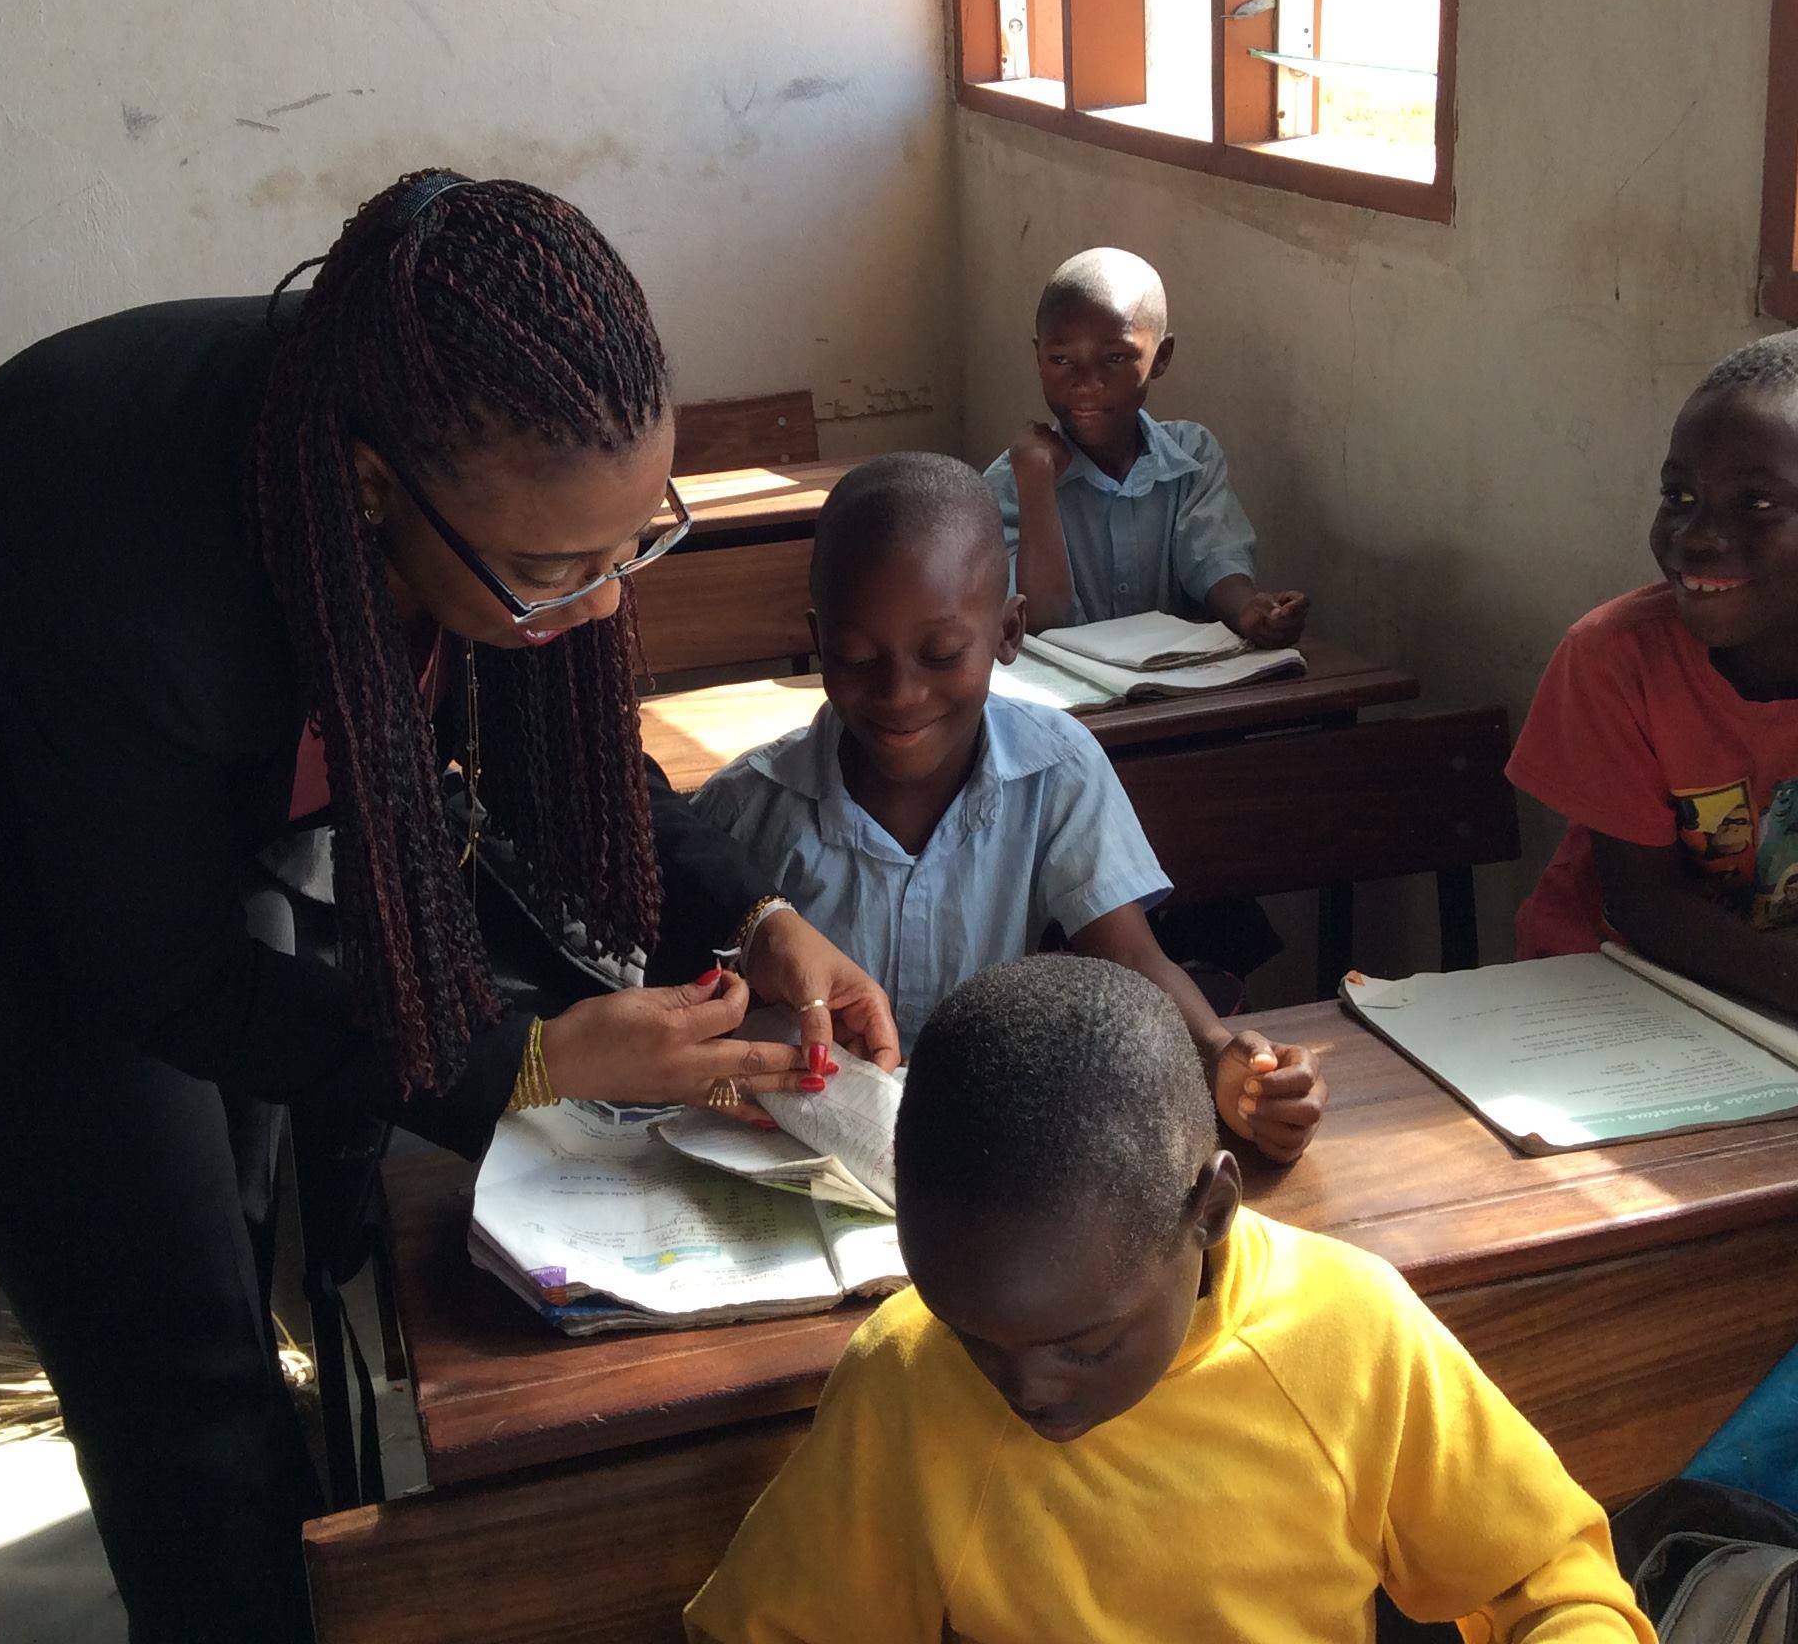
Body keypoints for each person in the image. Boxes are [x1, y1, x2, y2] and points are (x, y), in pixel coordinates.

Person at [0, 170, 896, 1643]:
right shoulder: (133, 575)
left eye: (631, 548)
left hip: (172, 845)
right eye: (556, 572)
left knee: (245, 1205)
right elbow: (160, 977)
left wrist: (749, 919)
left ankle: (299, 1560)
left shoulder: (483, 473)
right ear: (364, 488)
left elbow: (574, 761)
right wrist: (530, 1063)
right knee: (180, 1354)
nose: (600, 608)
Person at [685, 957, 1653, 1644]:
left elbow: (1546, 1585)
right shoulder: (906, 1372)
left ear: (1212, 1211)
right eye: (971, 1334)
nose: (1022, 1386)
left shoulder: (1347, 1327)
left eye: (1086, 1344)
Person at [691, 453, 1323, 1161]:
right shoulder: (746, 815)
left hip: (994, 1167)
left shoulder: (1056, 769)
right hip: (806, 1157)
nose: (900, 694)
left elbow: (1132, 959)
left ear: (1009, 633)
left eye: (941, 655)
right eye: (858, 657)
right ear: (817, 644)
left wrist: (1219, 1059)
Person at [1509, 332, 1798, 1013]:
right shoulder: (1616, 658)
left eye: (1756, 503)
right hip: (1610, 989)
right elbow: (1645, 904)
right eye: (1680, 494)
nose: (1696, 535)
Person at [983, 246, 1307, 644]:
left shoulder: (1192, 457)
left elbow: (1213, 560)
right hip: (1071, 702)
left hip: (1178, 690)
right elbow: (1039, 620)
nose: (1087, 381)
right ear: (1038, 358)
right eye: (1061, 360)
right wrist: (1036, 486)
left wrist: (1247, 609)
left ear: (1161, 357)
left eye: (1115, 357)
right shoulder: (1010, 481)